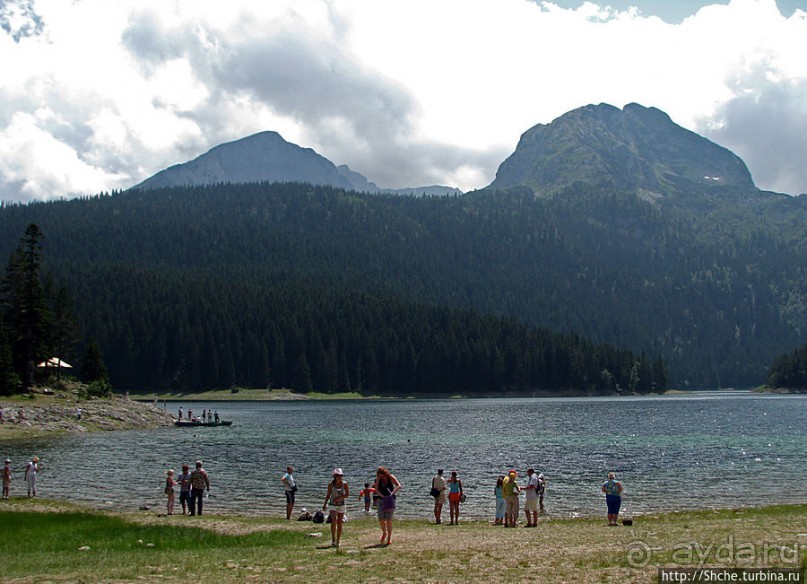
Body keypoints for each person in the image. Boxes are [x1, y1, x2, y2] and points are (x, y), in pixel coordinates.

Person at [374, 467, 402, 545]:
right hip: (381, 500)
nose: (381, 477)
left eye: (382, 476)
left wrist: (392, 493)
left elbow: (399, 485)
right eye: (379, 476)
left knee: (388, 520)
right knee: (381, 519)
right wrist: (382, 496)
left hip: (390, 500)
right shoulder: (378, 479)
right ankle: (384, 532)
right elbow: (376, 489)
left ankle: (389, 537)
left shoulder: (390, 477)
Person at [322, 468, 349, 547]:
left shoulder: (345, 484)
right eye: (338, 475)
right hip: (332, 504)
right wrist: (324, 504)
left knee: (340, 522)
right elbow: (328, 494)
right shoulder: (331, 484)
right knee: (333, 520)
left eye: (341, 475)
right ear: (334, 476)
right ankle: (333, 539)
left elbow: (347, 494)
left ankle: (338, 540)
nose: (339, 477)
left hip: (341, 504)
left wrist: (340, 497)